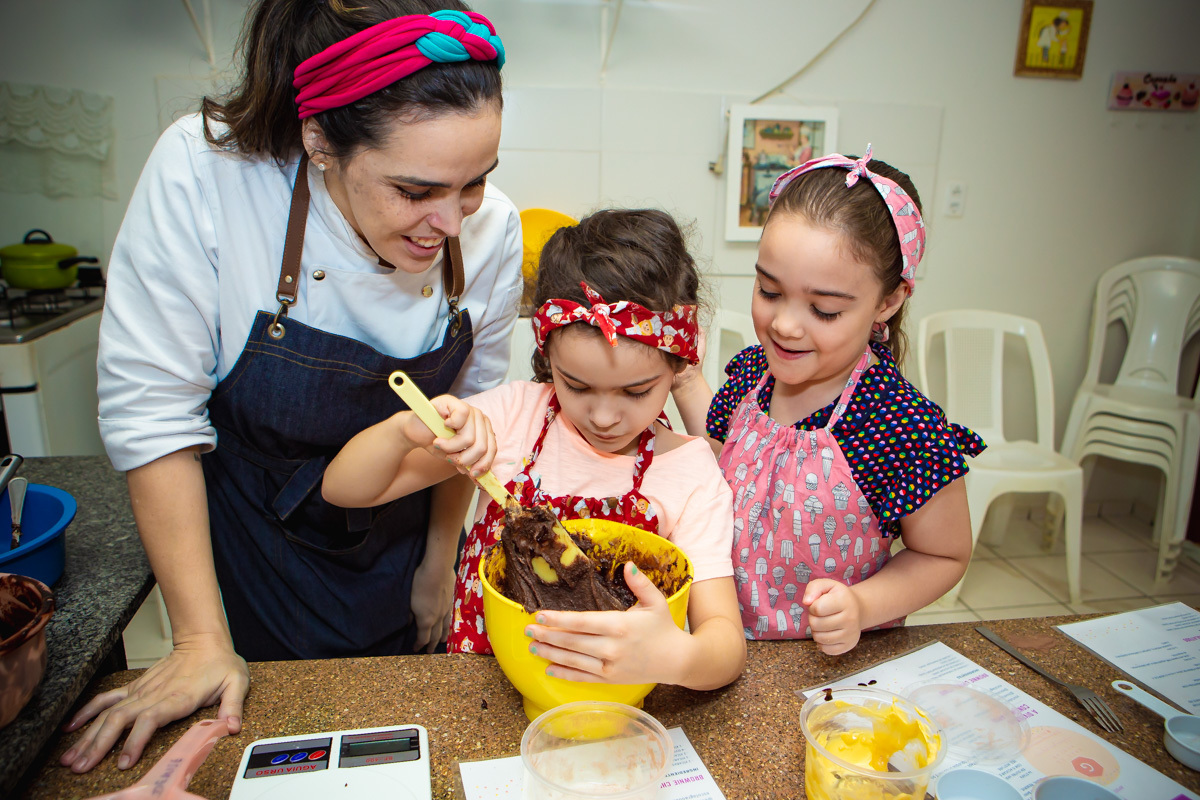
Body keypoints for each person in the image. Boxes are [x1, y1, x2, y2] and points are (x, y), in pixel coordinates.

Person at [66, 0, 521, 774]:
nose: (450, 219)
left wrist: (438, 562)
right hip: (250, 558)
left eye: (474, 182)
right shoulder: (209, 175)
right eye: (414, 192)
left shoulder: (492, 228)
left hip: (400, 548)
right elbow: (153, 414)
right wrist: (201, 639)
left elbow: (470, 421)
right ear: (320, 140)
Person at [324, 209, 746, 690]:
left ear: (680, 365)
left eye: (635, 392)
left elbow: (725, 646)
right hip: (486, 698)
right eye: (576, 385)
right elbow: (343, 490)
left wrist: (678, 658)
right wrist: (405, 430)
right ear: (547, 356)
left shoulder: (689, 472)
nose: (604, 416)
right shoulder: (512, 420)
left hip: (616, 713)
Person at [671, 146, 983, 655]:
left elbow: (943, 556)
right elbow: (721, 455)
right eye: (769, 292)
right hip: (719, 646)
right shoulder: (755, 372)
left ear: (889, 300)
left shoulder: (896, 422)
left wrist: (860, 606)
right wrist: (687, 382)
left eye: (823, 309)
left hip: (826, 669)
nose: (786, 325)